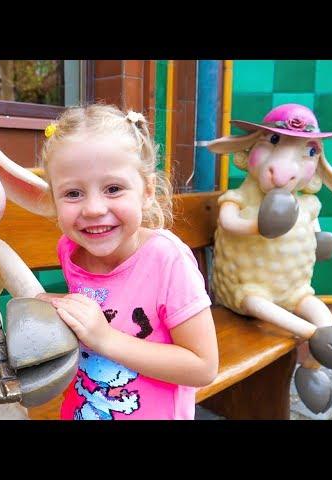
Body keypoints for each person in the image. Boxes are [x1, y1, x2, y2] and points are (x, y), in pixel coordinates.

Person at [37, 104, 218, 420]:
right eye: (73, 193)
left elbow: (203, 366)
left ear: (147, 191)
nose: (93, 208)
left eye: (113, 189)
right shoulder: (70, 249)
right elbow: (97, 314)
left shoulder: (167, 260)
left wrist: (105, 339)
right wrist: (57, 308)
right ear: (54, 199)